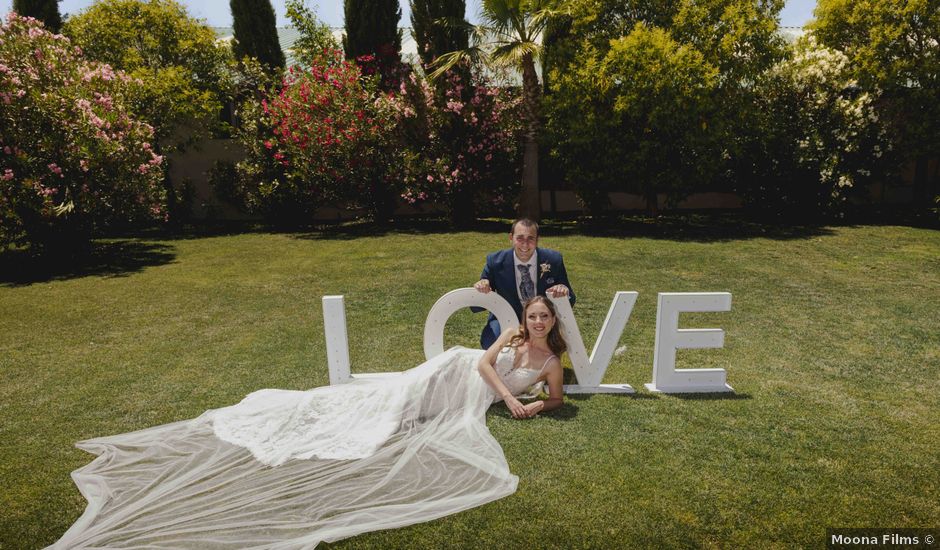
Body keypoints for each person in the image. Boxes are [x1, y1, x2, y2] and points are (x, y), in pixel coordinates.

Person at [53, 298, 567, 548]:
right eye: (534, 315)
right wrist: (507, 397)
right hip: (456, 370)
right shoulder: (513, 340)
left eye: (544, 317)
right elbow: (479, 364)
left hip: (471, 395)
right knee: (391, 407)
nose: (538, 321)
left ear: (554, 323)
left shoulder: (548, 364)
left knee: (405, 417)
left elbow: (558, 402)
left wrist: (534, 405)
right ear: (528, 317)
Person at [474, 218, 575, 349]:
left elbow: (571, 299)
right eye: (520, 238)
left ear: (537, 239)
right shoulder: (495, 261)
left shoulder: (553, 260)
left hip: (540, 319)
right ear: (511, 238)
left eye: (530, 238)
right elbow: (479, 303)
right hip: (506, 316)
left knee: (549, 349)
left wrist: (563, 291)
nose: (525, 244)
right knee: (490, 343)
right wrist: (483, 286)